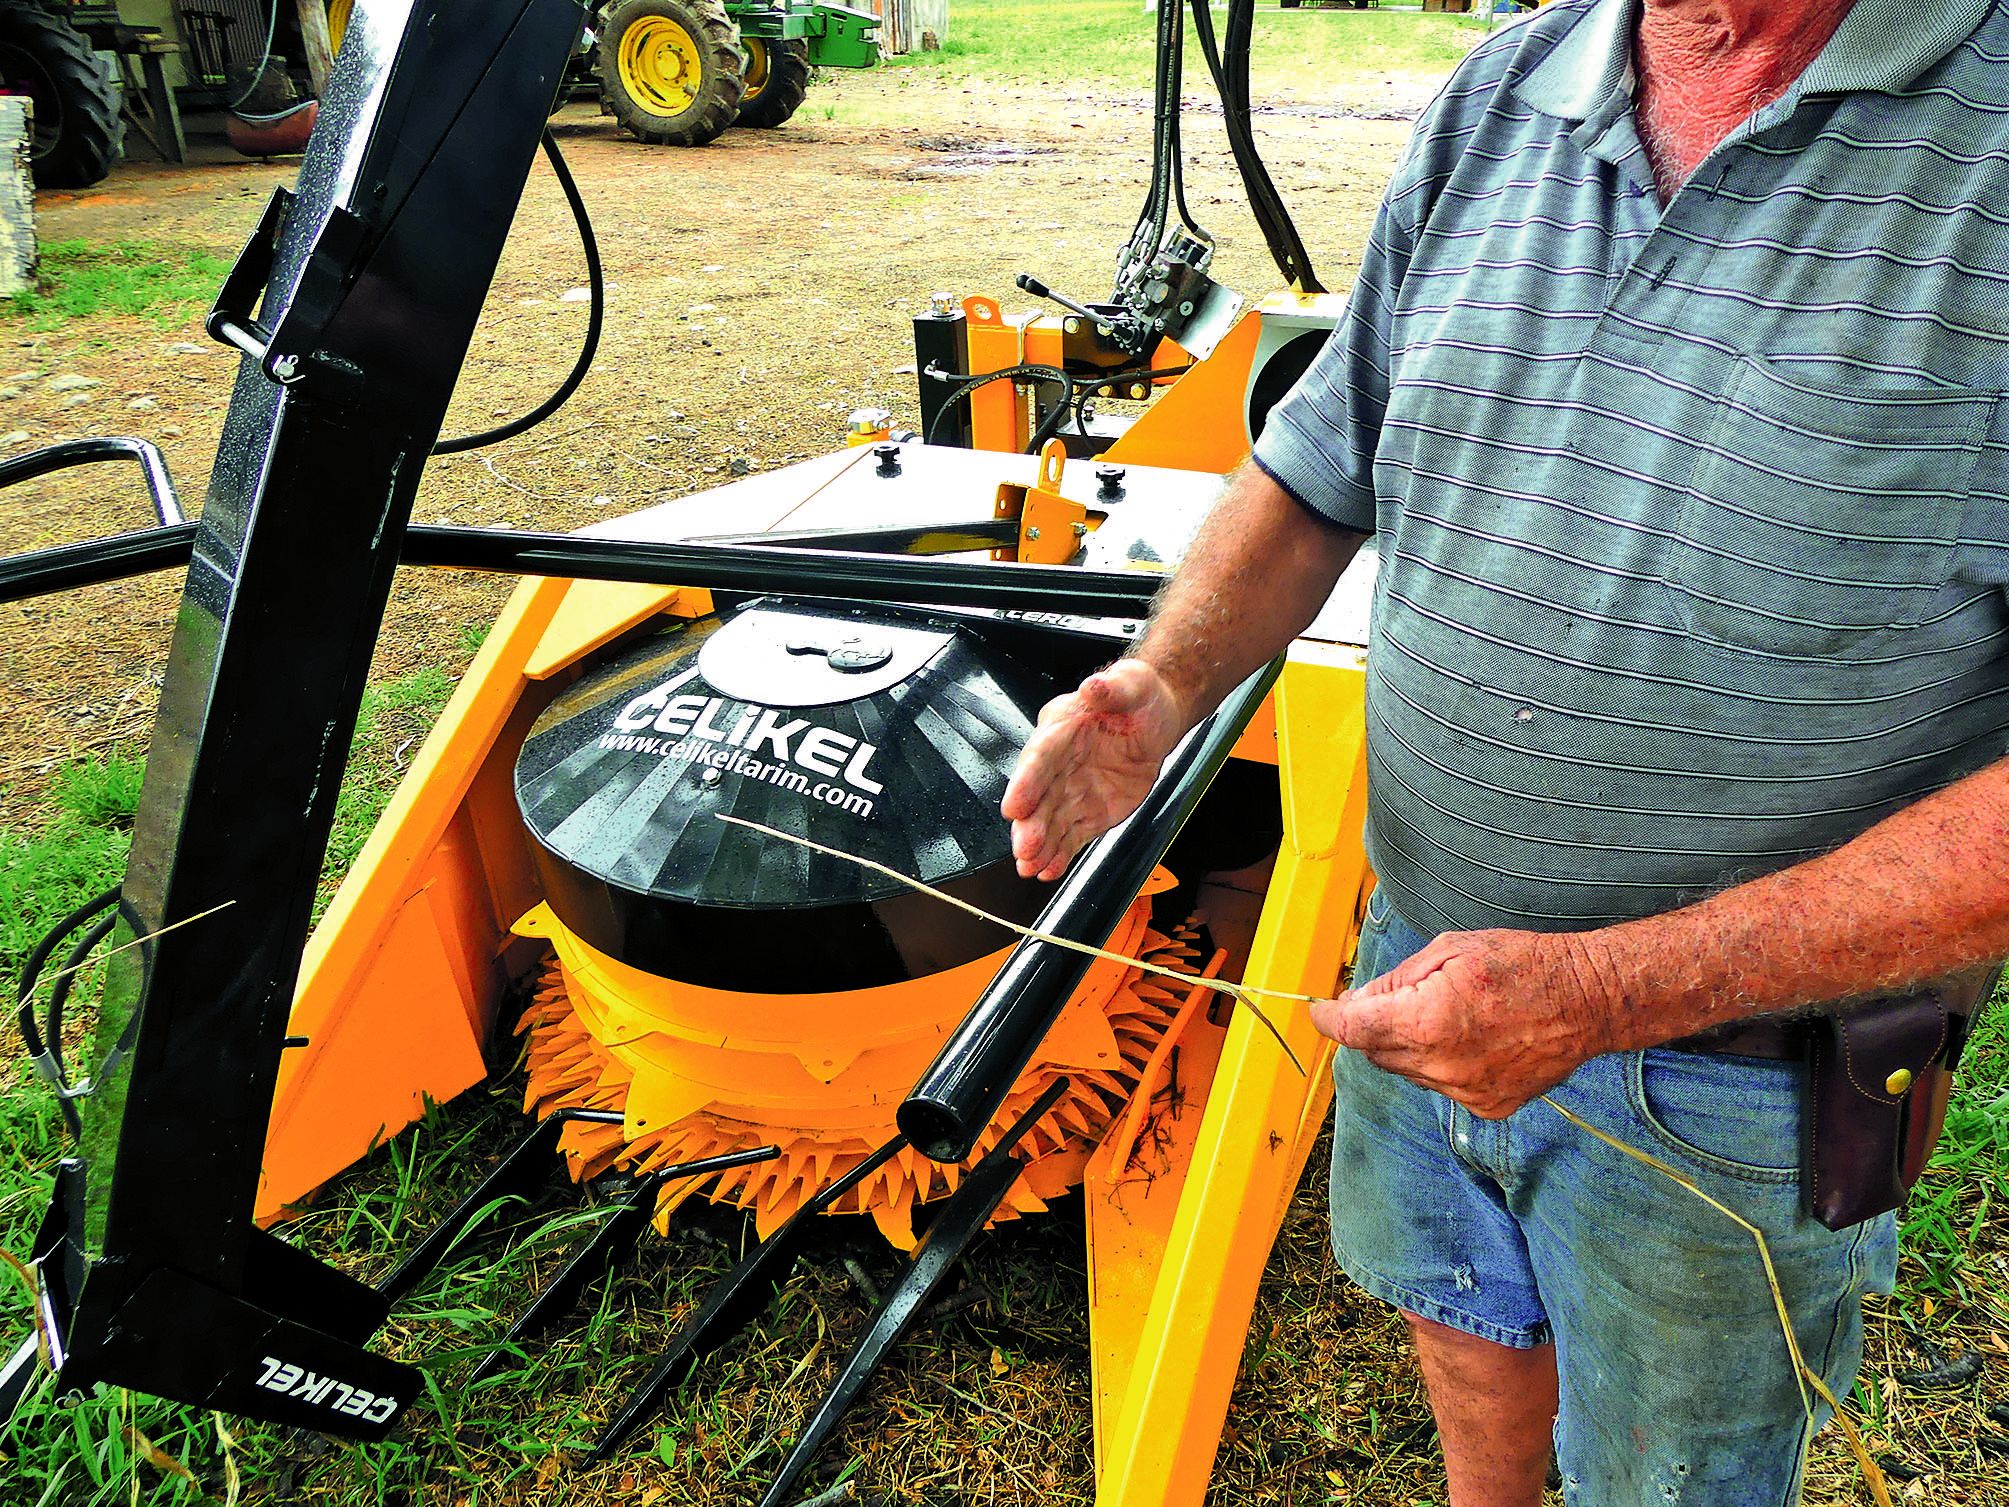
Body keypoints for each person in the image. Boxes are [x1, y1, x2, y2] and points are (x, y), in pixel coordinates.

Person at [1000, 0, 2009, 1502]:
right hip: (1419, 963)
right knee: (1466, 1325)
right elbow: (1320, 465)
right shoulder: (1509, 87)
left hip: (1738, 1072)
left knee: (1676, 1475)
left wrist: (1607, 991)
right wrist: (1161, 682)